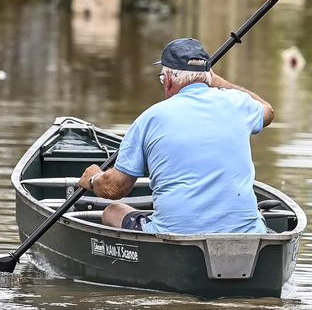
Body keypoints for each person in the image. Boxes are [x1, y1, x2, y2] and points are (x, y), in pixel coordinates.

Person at [79, 37, 274, 235]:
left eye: (162, 78)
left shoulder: (149, 119)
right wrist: (215, 81)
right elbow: (267, 111)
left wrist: (93, 179)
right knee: (257, 216)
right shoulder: (238, 103)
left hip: (175, 235)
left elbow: (115, 189)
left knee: (113, 211)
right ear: (208, 76)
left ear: (168, 80)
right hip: (245, 235)